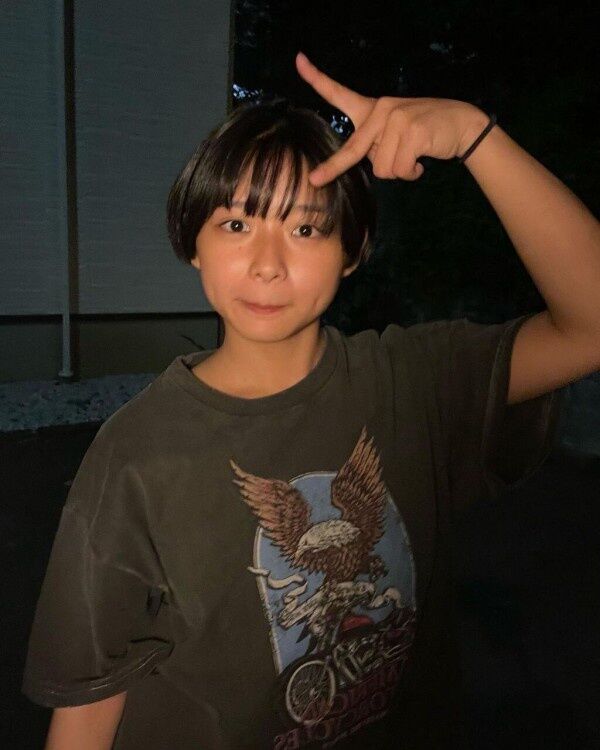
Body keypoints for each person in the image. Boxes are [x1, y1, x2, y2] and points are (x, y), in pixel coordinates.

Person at [22, 52, 600, 749]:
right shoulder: (136, 451)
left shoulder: (414, 379)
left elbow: (590, 325)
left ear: (352, 250)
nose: (268, 264)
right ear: (193, 242)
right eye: (237, 225)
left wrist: (476, 135)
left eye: (305, 229)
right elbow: (89, 701)